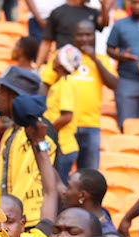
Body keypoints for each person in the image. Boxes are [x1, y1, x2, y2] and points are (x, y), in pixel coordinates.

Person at [0, 67, 60, 231]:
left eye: (0, 92)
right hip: (10, 222)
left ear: (12, 96)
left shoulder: (39, 130)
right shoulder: (10, 133)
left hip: (30, 224)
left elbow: (34, 184)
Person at [48, 20, 119, 171]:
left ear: (94, 36)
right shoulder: (61, 56)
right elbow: (46, 83)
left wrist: (95, 59)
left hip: (91, 125)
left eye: (88, 35)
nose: (84, 39)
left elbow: (114, 84)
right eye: (80, 35)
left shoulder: (101, 58)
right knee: (59, 174)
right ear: (74, 36)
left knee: (89, 175)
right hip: (65, 126)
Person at [45, 45, 81, 183]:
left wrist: (47, 131)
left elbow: (67, 116)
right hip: (58, 146)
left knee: (57, 192)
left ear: (61, 61)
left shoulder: (67, 83)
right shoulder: (59, 83)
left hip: (63, 147)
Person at [38, 0, 110, 64]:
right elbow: (46, 42)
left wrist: (104, 5)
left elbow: (104, 23)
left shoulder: (92, 12)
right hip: (63, 63)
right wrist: (37, 67)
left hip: (87, 64)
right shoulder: (57, 12)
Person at [63, 168, 116, 234]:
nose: (63, 191)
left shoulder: (104, 236)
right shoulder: (100, 213)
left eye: (68, 187)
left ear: (82, 195)